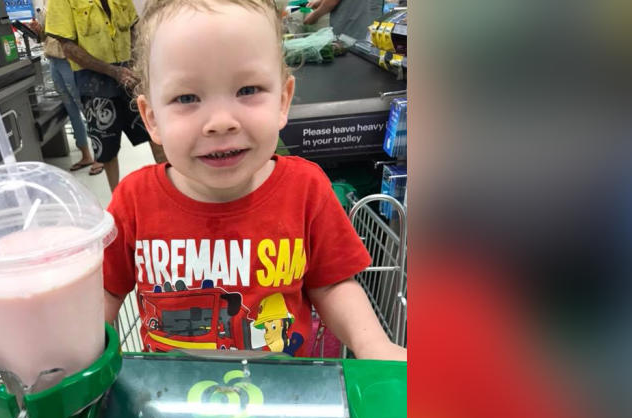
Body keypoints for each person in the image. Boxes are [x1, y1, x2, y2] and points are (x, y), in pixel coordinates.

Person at [101, 0, 406, 361]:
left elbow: (333, 283)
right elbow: (106, 292)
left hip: (284, 395)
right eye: (187, 97)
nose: (220, 122)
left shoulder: (305, 189)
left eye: (247, 91)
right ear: (152, 119)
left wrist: (371, 343)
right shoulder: (134, 200)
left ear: (282, 101)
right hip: (168, 399)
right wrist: (83, 359)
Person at [44, 0, 167, 192]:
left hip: (129, 73)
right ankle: (117, 199)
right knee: (107, 146)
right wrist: (112, 71)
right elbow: (68, 47)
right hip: (93, 82)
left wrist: (138, 65)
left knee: (154, 131)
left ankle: (170, 189)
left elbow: (133, 30)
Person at [24, 16, 102, 173]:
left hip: (70, 60)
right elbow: (46, 36)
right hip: (54, 60)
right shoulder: (49, 5)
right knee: (71, 109)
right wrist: (39, 30)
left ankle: (101, 156)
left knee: (83, 107)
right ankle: (86, 155)